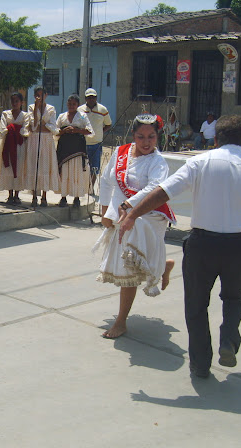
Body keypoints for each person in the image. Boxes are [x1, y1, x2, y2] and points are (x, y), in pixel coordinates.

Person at [119, 115, 241, 378]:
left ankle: (200, 365)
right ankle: (228, 338)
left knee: (196, 305)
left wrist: (133, 214)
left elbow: (164, 191)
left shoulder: (200, 163)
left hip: (202, 244)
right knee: (234, 297)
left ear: (216, 139)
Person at [94, 114, 176, 339]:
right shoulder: (121, 153)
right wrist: (104, 211)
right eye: (141, 136)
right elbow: (107, 181)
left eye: (151, 136)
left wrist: (128, 205)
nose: (146, 142)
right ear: (133, 135)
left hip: (148, 215)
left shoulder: (158, 161)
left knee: (129, 266)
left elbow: (154, 188)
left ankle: (121, 321)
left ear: (158, 136)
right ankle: (162, 265)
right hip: (122, 213)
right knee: (129, 262)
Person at [56, 94, 94, 208]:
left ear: (77, 105)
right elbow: (55, 130)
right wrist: (64, 131)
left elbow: (90, 131)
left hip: (77, 149)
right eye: (69, 104)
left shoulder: (82, 116)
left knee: (76, 172)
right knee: (64, 172)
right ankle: (63, 197)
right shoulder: (62, 116)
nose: (71, 106)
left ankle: (77, 198)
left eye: (74, 104)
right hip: (64, 148)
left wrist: (76, 130)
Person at [24, 87, 59, 207]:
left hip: (46, 141)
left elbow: (53, 127)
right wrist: (35, 111)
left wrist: (42, 125)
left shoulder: (51, 109)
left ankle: (44, 196)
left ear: (46, 95)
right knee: (34, 166)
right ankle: (34, 195)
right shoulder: (31, 107)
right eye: (37, 95)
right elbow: (32, 126)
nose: (40, 97)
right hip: (34, 140)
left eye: (42, 95)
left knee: (45, 167)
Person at [0, 92, 27, 205]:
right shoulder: (6, 114)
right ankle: (10, 194)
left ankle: (17, 194)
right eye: (13, 101)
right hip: (8, 143)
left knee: (19, 168)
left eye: (17, 101)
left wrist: (17, 131)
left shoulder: (25, 115)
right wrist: (9, 130)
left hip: (19, 145)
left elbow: (25, 130)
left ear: (21, 103)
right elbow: (3, 128)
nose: (14, 103)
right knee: (8, 168)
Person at [78, 88, 111, 187]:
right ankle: (82, 187)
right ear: (85, 98)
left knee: (95, 168)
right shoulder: (80, 110)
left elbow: (108, 124)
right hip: (82, 143)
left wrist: (100, 132)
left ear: (96, 98)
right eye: (89, 97)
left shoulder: (102, 109)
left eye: (93, 97)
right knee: (82, 167)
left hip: (97, 144)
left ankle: (90, 187)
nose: (91, 99)